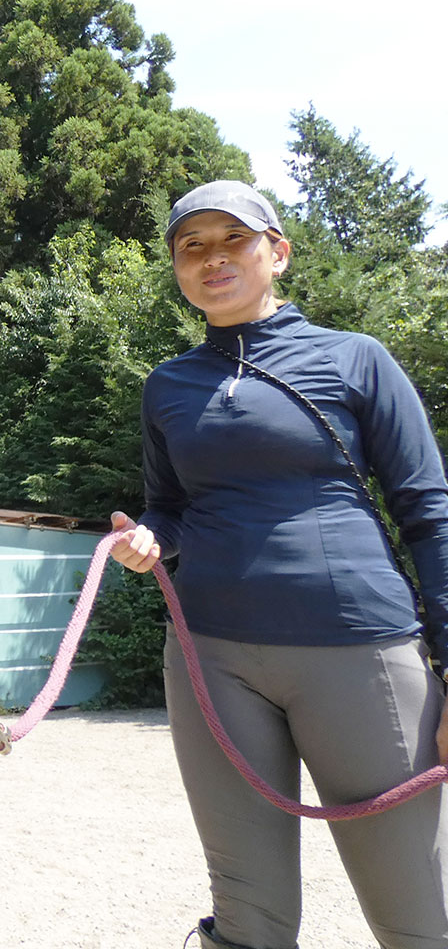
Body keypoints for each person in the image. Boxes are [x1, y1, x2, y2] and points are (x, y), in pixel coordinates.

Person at [107, 179, 448, 949]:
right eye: (191, 246)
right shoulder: (168, 385)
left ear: (279, 253)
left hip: (361, 653)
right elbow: (171, 507)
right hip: (210, 661)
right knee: (246, 915)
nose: (213, 258)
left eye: (235, 239)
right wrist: (150, 538)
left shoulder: (356, 359)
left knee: (415, 913)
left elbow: (430, 513)